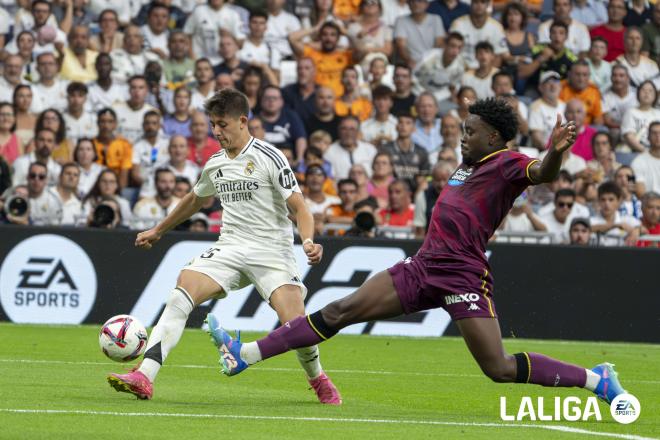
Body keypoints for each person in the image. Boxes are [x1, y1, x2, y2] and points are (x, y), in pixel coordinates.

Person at [209, 98, 629, 408]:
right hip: (423, 266)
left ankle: (597, 382)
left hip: (463, 276)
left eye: (471, 131)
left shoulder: (507, 162)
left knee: (498, 368)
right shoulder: (465, 164)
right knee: (339, 311)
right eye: (463, 130)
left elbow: (543, 172)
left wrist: (556, 150)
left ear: (495, 137)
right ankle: (245, 355)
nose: (463, 136)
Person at [107, 88, 342, 405]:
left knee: (296, 325)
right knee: (182, 290)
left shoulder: (270, 157)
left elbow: (300, 208)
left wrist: (309, 241)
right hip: (230, 248)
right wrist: (159, 229)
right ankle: (144, 375)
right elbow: (196, 198)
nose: (216, 132)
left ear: (243, 121)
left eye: (222, 124)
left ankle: (317, 378)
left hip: (272, 253)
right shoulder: (216, 162)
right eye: (213, 125)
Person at [449, 0, 509, 70]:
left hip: (487, 73)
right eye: (476, 2)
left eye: (483, 2)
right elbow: (451, 51)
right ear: (471, 4)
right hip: (460, 70)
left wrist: (486, 74)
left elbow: (498, 57)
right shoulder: (458, 24)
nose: (479, 5)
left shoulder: (497, 27)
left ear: (488, 5)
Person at [380, 113, 431, 191]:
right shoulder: (386, 149)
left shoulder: (421, 152)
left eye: (408, 123)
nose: (403, 126)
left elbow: (427, 177)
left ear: (414, 128)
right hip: (390, 192)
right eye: (400, 122)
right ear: (396, 126)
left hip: (415, 192)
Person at [393, 0, 445, 69]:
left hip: (432, 62)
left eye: (419, 1)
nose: (416, 4)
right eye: (412, 1)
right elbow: (401, 46)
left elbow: (439, 44)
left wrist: (428, 62)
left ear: (427, 4)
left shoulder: (436, 19)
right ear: (408, 4)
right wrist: (410, 62)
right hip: (410, 64)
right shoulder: (401, 21)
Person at [590, 181, 640, 246]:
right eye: (603, 200)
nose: (606, 204)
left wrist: (635, 231)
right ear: (598, 201)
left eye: (611, 200)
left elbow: (643, 229)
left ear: (619, 201)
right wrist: (615, 225)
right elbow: (588, 228)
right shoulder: (592, 220)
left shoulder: (627, 219)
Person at [528, 71, 565, 150]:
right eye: (548, 82)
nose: (553, 85)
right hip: (545, 152)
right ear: (540, 87)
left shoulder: (565, 106)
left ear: (560, 86)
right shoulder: (535, 107)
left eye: (556, 82)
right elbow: (537, 139)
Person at [621, 81, 660, 153]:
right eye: (643, 90)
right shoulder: (630, 112)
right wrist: (647, 152)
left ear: (655, 95)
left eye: (650, 91)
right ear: (638, 93)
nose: (646, 93)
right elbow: (629, 137)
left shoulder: (658, 113)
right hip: (637, 151)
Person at [25, 162, 62, 226]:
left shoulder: (53, 201)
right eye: (32, 176)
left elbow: (55, 229)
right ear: (27, 177)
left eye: (41, 177)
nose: (36, 179)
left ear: (46, 180)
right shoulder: (15, 194)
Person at [632, 121, 660, 194]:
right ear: (648, 137)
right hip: (649, 203)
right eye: (654, 133)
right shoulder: (638, 162)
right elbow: (640, 192)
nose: (658, 136)